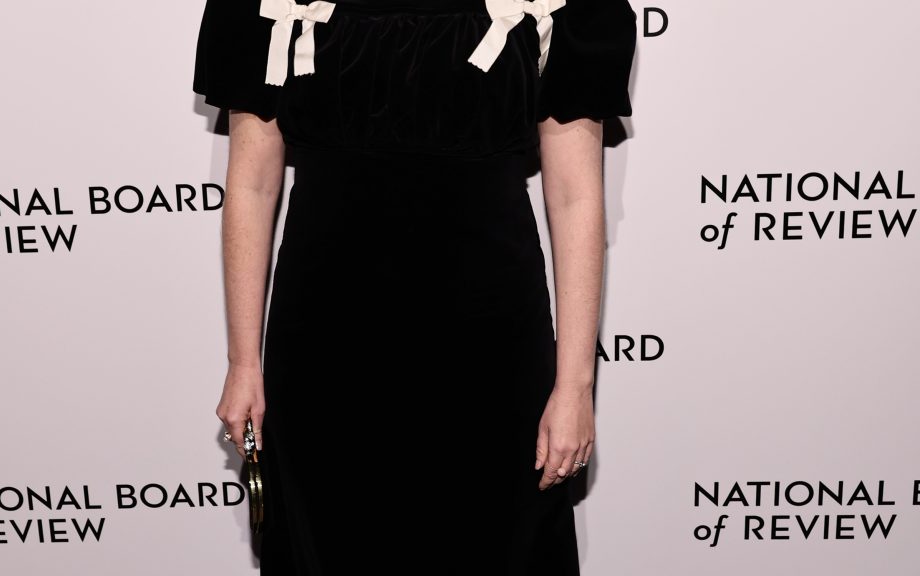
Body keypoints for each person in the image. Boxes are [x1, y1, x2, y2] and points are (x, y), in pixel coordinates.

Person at [194, 0, 635, 573]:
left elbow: (576, 196)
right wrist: (243, 363)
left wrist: (575, 386)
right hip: (324, 353)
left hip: (491, 352)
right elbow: (251, 184)